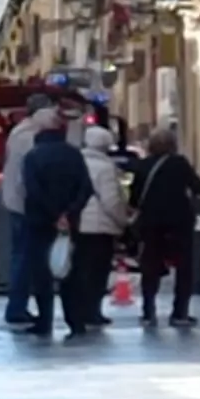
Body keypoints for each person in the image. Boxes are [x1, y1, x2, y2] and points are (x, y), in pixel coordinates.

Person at [20, 111, 94, 339]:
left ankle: (45, 321)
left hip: (40, 221)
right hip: (70, 223)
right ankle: (76, 321)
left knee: (41, 273)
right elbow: (86, 188)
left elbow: (33, 190)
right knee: (71, 271)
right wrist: (69, 213)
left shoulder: (33, 157)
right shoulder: (74, 155)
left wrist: (53, 214)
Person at [128, 126, 200, 329]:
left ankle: (148, 312)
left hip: (151, 223)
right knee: (184, 268)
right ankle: (180, 312)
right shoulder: (180, 163)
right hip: (179, 222)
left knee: (150, 267)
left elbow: (134, 198)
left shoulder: (143, 165)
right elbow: (197, 186)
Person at [0, 92, 55, 326]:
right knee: (24, 258)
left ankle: (17, 305)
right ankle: (16, 307)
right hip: (24, 204)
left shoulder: (18, 133)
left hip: (15, 201)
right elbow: (31, 172)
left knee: (21, 256)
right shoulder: (29, 137)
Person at [74, 125, 129, 330]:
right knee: (98, 272)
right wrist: (122, 221)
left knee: (80, 269)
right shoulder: (106, 168)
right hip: (100, 226)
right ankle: (93, 311)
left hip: (79, 223)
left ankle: (78, 310)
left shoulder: (76, 161)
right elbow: (110, 200)